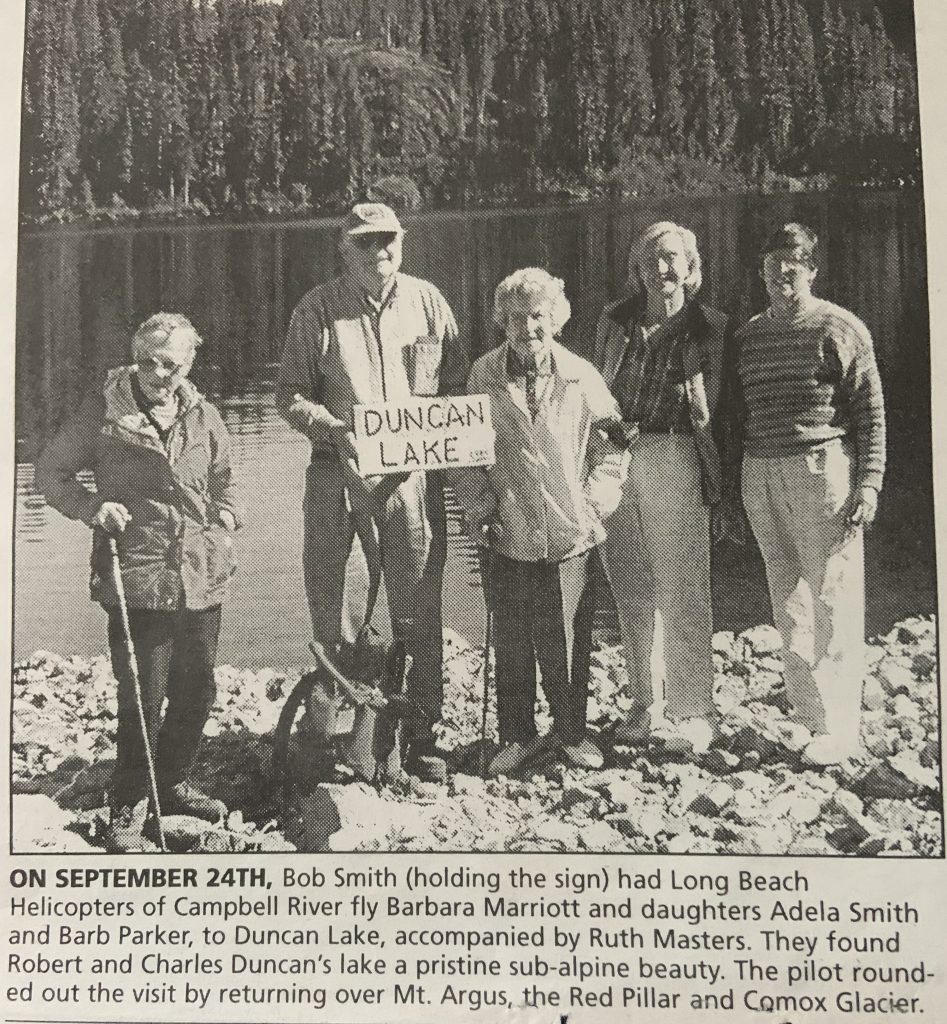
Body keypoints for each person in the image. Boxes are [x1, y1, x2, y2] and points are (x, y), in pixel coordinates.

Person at [36, 313, 242, 851]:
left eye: (169, 363)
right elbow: (51, 474)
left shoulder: (205, 416)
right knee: (142, 698)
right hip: (137, 576)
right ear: (135, 357)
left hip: (201, 575)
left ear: (189, 363)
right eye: (147, 359)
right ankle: (127, 802)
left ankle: (170, 783)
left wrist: (225, 517)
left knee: (198, 692)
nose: (156, 372)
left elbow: (224, 479)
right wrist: (92, 506)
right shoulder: (102, 414)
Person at [275, 202, 465, 768]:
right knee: (337, 606)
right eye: (367, 242)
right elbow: (289, 395)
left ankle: (421, 730)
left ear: (402, 243)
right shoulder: (317, 310)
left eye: (389, 240)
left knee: (420, 604)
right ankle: (335, 732)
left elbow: (456, 383)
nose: (380, 251)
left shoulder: (429, 300)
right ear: (346, 248)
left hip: (411, 479)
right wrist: (330, 426)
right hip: (338, 476)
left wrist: (459, 436)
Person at [453, 268, 627, 776]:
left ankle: (572, 733)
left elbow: (613, 448)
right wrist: (481, 510)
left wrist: (595, 504)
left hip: (570, 530)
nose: (527, 328)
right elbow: (466, 457)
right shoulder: (483, 376)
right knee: (511, 637)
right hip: (508, 528)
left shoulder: (582, 375)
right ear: (501, 323)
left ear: (556, 320)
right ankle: (517, 735)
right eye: (515, 318)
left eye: (537, 317)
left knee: (569, 636)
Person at [732, 223, 885, 766]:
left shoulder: (841, 327)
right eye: (774, 264)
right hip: (761, 471)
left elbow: (870, 413)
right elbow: (739, 415)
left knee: (833, 594)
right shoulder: (750, 334)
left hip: (821, 469)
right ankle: (811, 719)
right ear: (762, 272)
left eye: (794, 263)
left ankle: (842, 727)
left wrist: (868, 482)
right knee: (788, 598)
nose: (783, 273)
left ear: (812, 271)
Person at [592, 221, 732, 755]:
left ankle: (694, 710)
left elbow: (721, 411)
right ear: (638, 270)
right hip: (616, 457)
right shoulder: (614, 321)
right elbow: (592, 390)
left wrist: (721, 487)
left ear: (690, 267)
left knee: (683, 588)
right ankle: (644, 705)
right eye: (651, 260)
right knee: (630, 587)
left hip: (676, 453)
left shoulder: (710, 327)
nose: (662, 270)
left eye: (672, 259)